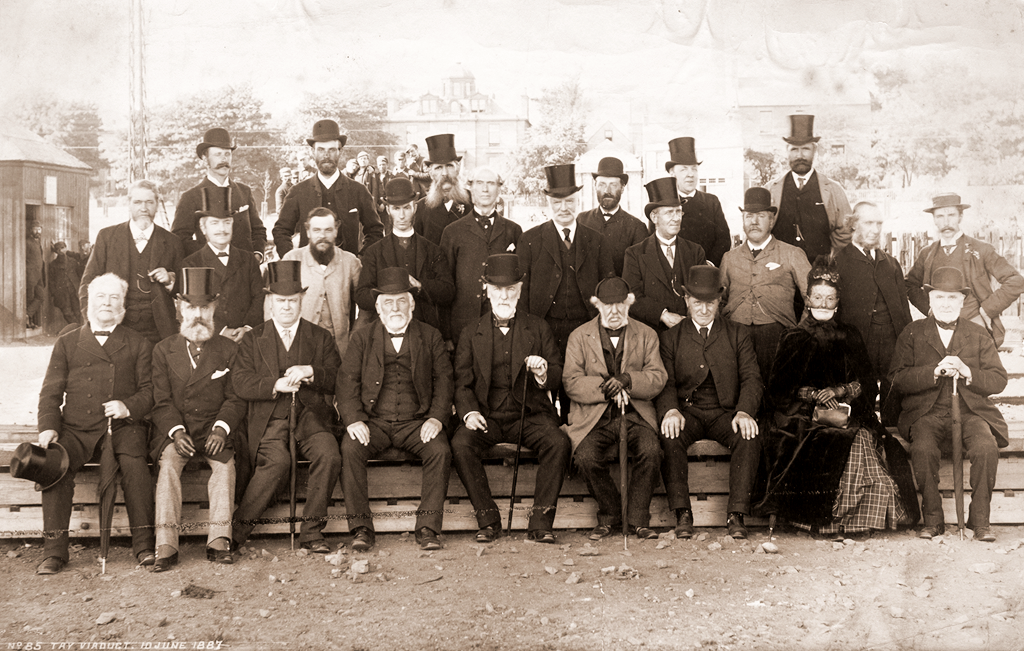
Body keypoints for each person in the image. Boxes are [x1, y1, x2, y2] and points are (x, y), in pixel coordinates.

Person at [757, 265, 914, 539]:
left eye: (830, 298)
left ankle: (858, 521)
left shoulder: (850, 335)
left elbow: (866, 382)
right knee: (823, 440)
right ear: (807, 300)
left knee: (861, 436)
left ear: (837, 303)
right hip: (803, 415)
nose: (823, 304)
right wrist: (812, 395)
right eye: (817, 297)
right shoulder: (793, 337)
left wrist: (839, 391)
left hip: (848, 410)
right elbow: (779, 390)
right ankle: (825, 523)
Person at [35, 273, 155, 574]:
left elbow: (151, 391)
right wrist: (48, 427)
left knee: (135, 467)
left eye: (115, 297)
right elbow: (50, 392)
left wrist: (128, 406)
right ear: (89, 302)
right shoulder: (68, 342)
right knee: (54, 466)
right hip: (76, 428)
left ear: (123, 307)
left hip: (123, 427)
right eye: (101, 296)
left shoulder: (138, 343)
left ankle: (144, 545)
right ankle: (54, 550)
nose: (107, 302)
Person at [451, 254, 570, 544]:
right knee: (460, 444)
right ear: (487, 291)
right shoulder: (470, 332)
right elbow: (462, 383)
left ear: (519, 290)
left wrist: (543, 373)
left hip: (529, 416)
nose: (504, 296)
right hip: (488, 416)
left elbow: (557, 374)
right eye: (497, 290)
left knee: (559, 442)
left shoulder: (538, 327)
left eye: (510, 290)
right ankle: (488, 520)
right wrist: (469, 413)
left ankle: (541, 522)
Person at [338, 268, 453, 552]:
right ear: (377, 307)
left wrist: (436, 418)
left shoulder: (431, 336)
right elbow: (346, 381)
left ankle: (427, 527)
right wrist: (353, 420)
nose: (395, 307)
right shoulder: (362, 338)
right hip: (374, 421)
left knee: (440, 450)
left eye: (401, 301)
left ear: (412, 303)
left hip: (415, 423)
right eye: (388, 302)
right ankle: (361, 528)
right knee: (350, 448)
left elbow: (444, 381)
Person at [891, 267, 1008, 542]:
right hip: (926, 413)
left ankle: (979, 522)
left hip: (971, 413)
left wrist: (969, 371)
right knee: (922, 448)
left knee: (986, 447)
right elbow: (897, 378)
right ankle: (932, 520)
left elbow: (999, 380)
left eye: (952, 298)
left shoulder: (978, 334)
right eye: (940, 298)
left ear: (962, 301)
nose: (945, 304)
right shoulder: (912, 332)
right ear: (930, 300)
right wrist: (933, 371)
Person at [232, 260, 342, 553]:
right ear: (270, 301)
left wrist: (311, 371)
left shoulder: (320, 337)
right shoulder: (253, 339)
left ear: (302, 300)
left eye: (293, 301)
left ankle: (312, 533)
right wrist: (274, 384)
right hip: (269, 419)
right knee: (278, 462)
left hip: (312, 419)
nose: (287, 308)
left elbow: (337, 378)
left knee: (329, 455)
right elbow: (240, 382)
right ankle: (237, 531)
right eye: (281, 301)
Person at [656, 266, 762, 539]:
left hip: (724, 412)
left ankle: (736, 514)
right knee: (669, 434)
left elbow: (752, 378)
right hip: (688, 411)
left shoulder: (737, 333)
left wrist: (744, 412)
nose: (704, 310)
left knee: (748, 436)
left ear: (719, 302)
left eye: (710, 303)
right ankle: (682, 513)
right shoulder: (670, 338)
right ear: (687, 300)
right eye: (697, 303)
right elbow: (665, 382)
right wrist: (670, 410)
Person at [150, 268, 245, 571]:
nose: (198, 315)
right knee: (167, 466)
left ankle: (219, 539)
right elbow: (161, 401)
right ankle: (166, 543)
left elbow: (235, 397)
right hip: (179, 432)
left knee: (225, 467)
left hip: (214, 429)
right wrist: (176, 432)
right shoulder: (163, 350)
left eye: (205, 308)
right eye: (191, 308)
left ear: (214, 309)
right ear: (179, 309)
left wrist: (221, 428)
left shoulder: (229, 349)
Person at [563, 277, 668, 540]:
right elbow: (571, 381)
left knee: (651, 450)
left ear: (629, 304)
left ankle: (638, 518)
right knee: (585, 457)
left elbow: (658, 376)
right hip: (593, 419)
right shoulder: (579, 336)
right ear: (597, 306)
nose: (613, 312)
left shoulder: (647, 334)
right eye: (607, 306)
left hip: (635, 415)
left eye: (620, 305)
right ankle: (610, 514)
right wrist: (607, 387)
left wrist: (629, 380)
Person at [518, 163, 615, 421]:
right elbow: (523, 295)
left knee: (581, 398)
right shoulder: (530, 240)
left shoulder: (596, 240)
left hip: (585, 330)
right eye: (557, 202)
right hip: (545, 330)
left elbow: (608, 292)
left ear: (578, 200)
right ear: (547, 202)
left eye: (570, 201)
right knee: (547, 397)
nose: (564, 208)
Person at [828, 201, 912, 426]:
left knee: (893, 393)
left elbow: (903, 310)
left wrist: (907, 343)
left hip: (891, 344)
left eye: (879, 223)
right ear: (853, 225)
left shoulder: (891, 264)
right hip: (857, 344)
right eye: (868, 223)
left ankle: (891, 439)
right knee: (860, 398)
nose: (875, 229)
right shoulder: (838, 262)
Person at [905, 193, 1024, 348]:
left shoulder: (981, 250)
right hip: (938, 328)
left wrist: (986, 311)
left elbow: (1015, 281)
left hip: (974, 326)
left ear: (960, 217)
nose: (946, 222)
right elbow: (909, 285)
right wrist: (929, 309)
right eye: (940, 216)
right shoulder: (927, 253)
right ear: (934, 219)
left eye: (951, 215)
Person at [720, 187, 811, 382]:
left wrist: (798, 333)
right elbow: (720, 300)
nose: (753, 222)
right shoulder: (729, 258)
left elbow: (812, 296)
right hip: (736, 334)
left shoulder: (792, 254)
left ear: (771, 220)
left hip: (776, 336)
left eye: (760, 216)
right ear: (743, 221)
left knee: (774, 391)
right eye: (748, 216)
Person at [79, 179, 183, 344]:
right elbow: (87, 285)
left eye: (149, 202)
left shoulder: (172, 242)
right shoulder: (107, 237)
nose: (143, 208)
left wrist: (171, 280)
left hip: (159, 333)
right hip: (117, 330)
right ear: (129, 204)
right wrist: (94, 322)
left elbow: (184, 291)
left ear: (157, 204)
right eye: (138, 202)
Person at [355, 178, 454, 336]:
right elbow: (361, 296)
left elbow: (448, 291)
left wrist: (421, 286)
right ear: (388, 210)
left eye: (406, 208)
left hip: (424, 331)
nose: (401, 215)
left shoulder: (433, 250)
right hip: (384, 331)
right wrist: (387, 291)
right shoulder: (374, 252)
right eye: (396, 208)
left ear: (414, 208)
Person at [273, 120, 383, 258]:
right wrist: (294, 262)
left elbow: (375, 231)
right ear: (313, 152)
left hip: (347, 276)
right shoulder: (298, 191)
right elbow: (281, 230)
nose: (326, 155)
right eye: (321, 150)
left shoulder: (358, 190)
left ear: (339, 151)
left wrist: (360, 260)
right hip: (308, 275)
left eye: (331, 150)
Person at [440, 167, 522, 346]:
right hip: (463, 324)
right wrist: (446, 335)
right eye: (480, 183)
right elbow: (445, 285)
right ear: (470, 188)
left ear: (499, 189)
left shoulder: (513, 230)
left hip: (503, 324)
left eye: (491, 184)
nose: (485, 189)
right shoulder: (452, 232)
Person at [622, 177, 707, 333]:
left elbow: (703, 294)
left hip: (689, 333)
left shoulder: (696, 251)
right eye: (669, 213)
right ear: (654, 217)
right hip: (653, 335)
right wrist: (663, 315)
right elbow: (631, 297)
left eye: (678, 212)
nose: (676, 218)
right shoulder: (635, 254)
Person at [180, 187, 265, 343]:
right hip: (211, 339)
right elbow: (193, 309)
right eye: (214, 223)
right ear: (203, 227)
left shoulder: (248, 260)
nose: (222, 229)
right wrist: (222, 331)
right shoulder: (192, 263)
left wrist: (247, 328)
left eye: (227, 223)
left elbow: (259, 298)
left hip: (246, 339)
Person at [274, 207, 361, 359]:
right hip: (300, 349)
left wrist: (355, 335)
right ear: (307, 232)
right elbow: (273, 305)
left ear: (336, 231)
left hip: (339, 350)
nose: (322, 236)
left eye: (328, 230)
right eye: (316, 230)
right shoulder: (291, 259)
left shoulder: (350, 262)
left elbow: (366, 303)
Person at [765, 115, 852, 262]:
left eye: (805, 149)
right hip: (780, 273)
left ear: (814, 150)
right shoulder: (770, 190)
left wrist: (831, 264)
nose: (800, 155)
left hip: (819, 273)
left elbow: (844, 235)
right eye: (794, 149)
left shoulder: (833, 190)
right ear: (787, 150)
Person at [171, 128, 267, 260]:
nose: (224, 159)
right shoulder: (191, 197)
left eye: (227, 154)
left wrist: (257, 254)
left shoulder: (244, 192)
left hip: (244, 271)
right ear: (205, 159)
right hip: (210, 273)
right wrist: (208, 256)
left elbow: (258, 230)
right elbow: (179, 238)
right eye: (218, 154)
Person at [577, 157, 648, 277]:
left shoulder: (636, 227)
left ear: (622, 188)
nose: (607, 190)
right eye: (602, 184)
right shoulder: (581, 220)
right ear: (595, 186)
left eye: (613, 185)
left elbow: (638, 274)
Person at [665, 138, 731, 267]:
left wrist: (709, 264)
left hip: (705, 275)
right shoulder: (662, 205)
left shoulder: (711, 202)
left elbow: (724, 240)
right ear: (672, 173)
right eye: (684, 169)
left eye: (694, 169)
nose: (690, 174)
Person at [413, 134, 473, 245]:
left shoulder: (473, 201)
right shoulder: (420, 209)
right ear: (431, 173)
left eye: (449, 166)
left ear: (457, 169)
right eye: (438, 168)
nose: (444, 173)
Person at [48, 241, 81, 327]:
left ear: (66, 248)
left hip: (74, 290)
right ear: (56, 251)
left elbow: (80, 275)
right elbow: (51, 281)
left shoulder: (73, 262)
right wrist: (54, 293)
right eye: (58, 249)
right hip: (62, 293)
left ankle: (79, 330)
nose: (61, 251)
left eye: (63, 248)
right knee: (67, 312)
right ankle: (78, 328)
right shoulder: (53, 265)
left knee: (77, 311)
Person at [26, 219, 46, 329]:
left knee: (40, 297)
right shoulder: (27, 242)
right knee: (29, 298)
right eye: (35, 229)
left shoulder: (37, 242)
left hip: (38, 276)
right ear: (30, 230)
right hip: (30, 276)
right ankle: (28, 322)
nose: (38, 231)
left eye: (39, 229)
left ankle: (27, 315)